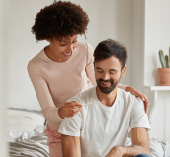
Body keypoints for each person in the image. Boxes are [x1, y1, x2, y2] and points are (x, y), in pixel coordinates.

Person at [28, 1, 149, 157]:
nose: (70, 49)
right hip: (60, 125)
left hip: (88, 119)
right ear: (48, 38)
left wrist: (127, 89)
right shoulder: (36, 66)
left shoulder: (85, 50)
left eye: (74, 41)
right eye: (63, 43)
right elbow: (48, 112)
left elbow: (100, 81)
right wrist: (64, 111)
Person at [58, 39, 151, 157]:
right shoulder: (74, 107)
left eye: (112, 72)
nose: (105, 77)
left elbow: (144, 149)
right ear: (94, 68)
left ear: (123, 71)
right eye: (99, 71)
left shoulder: (133, 102)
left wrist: (120, 150)